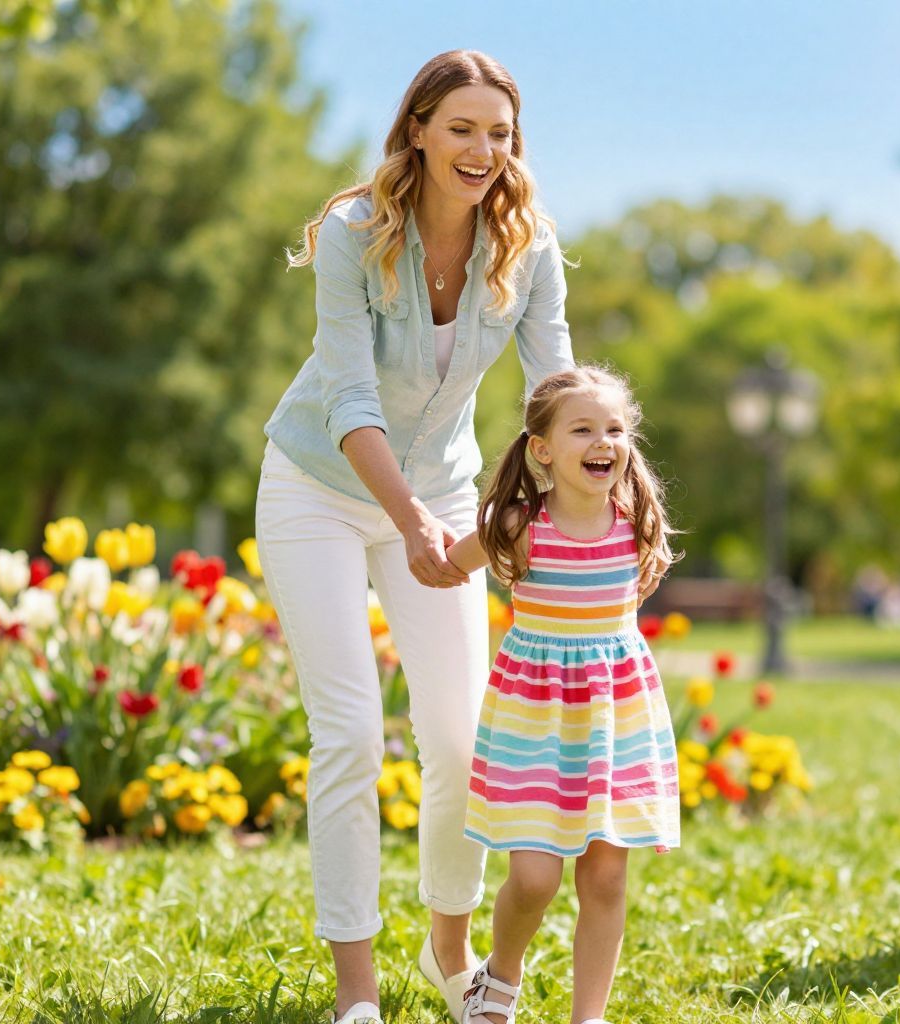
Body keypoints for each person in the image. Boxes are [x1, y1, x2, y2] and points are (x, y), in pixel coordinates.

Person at [255, 51, 575, 1024]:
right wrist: (414, 524)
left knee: (458, 735)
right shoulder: (358, 231)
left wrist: (594, 469)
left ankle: (450, 947)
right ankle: (358, 994)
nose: (483, 150)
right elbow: (350, 394)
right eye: (463, 128)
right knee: (350, 731)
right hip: (317, 484)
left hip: (442, 494)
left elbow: (552, 389)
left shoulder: (529, 245)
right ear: (422, 130)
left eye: (500, 133)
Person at [442, 366, 681, 1024]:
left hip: (614, 714)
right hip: (534, 717)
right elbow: (446, 563)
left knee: (604, 877)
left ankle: (588, 1016)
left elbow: (631, 598)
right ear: (541, 448)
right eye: (583, 428)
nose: (604, 440)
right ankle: (501, 976)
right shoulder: (519, 525)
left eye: (615, 429)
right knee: (535, 878)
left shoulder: (635, 526)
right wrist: (411, 544)